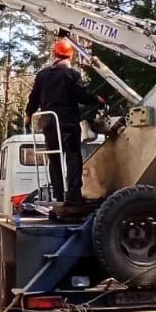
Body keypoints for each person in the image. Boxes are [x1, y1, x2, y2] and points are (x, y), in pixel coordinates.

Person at [24, 37, 103, 204]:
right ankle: (74, 197)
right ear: (70, 56)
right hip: (68, 123)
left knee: (54, 160)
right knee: (73, 157)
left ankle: (58, 196)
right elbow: (82, 95)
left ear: (55, 54)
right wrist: (97, 99)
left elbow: (33, 99)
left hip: (49, 124)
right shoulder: (71, 75)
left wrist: (29, 114)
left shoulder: (42, 75)